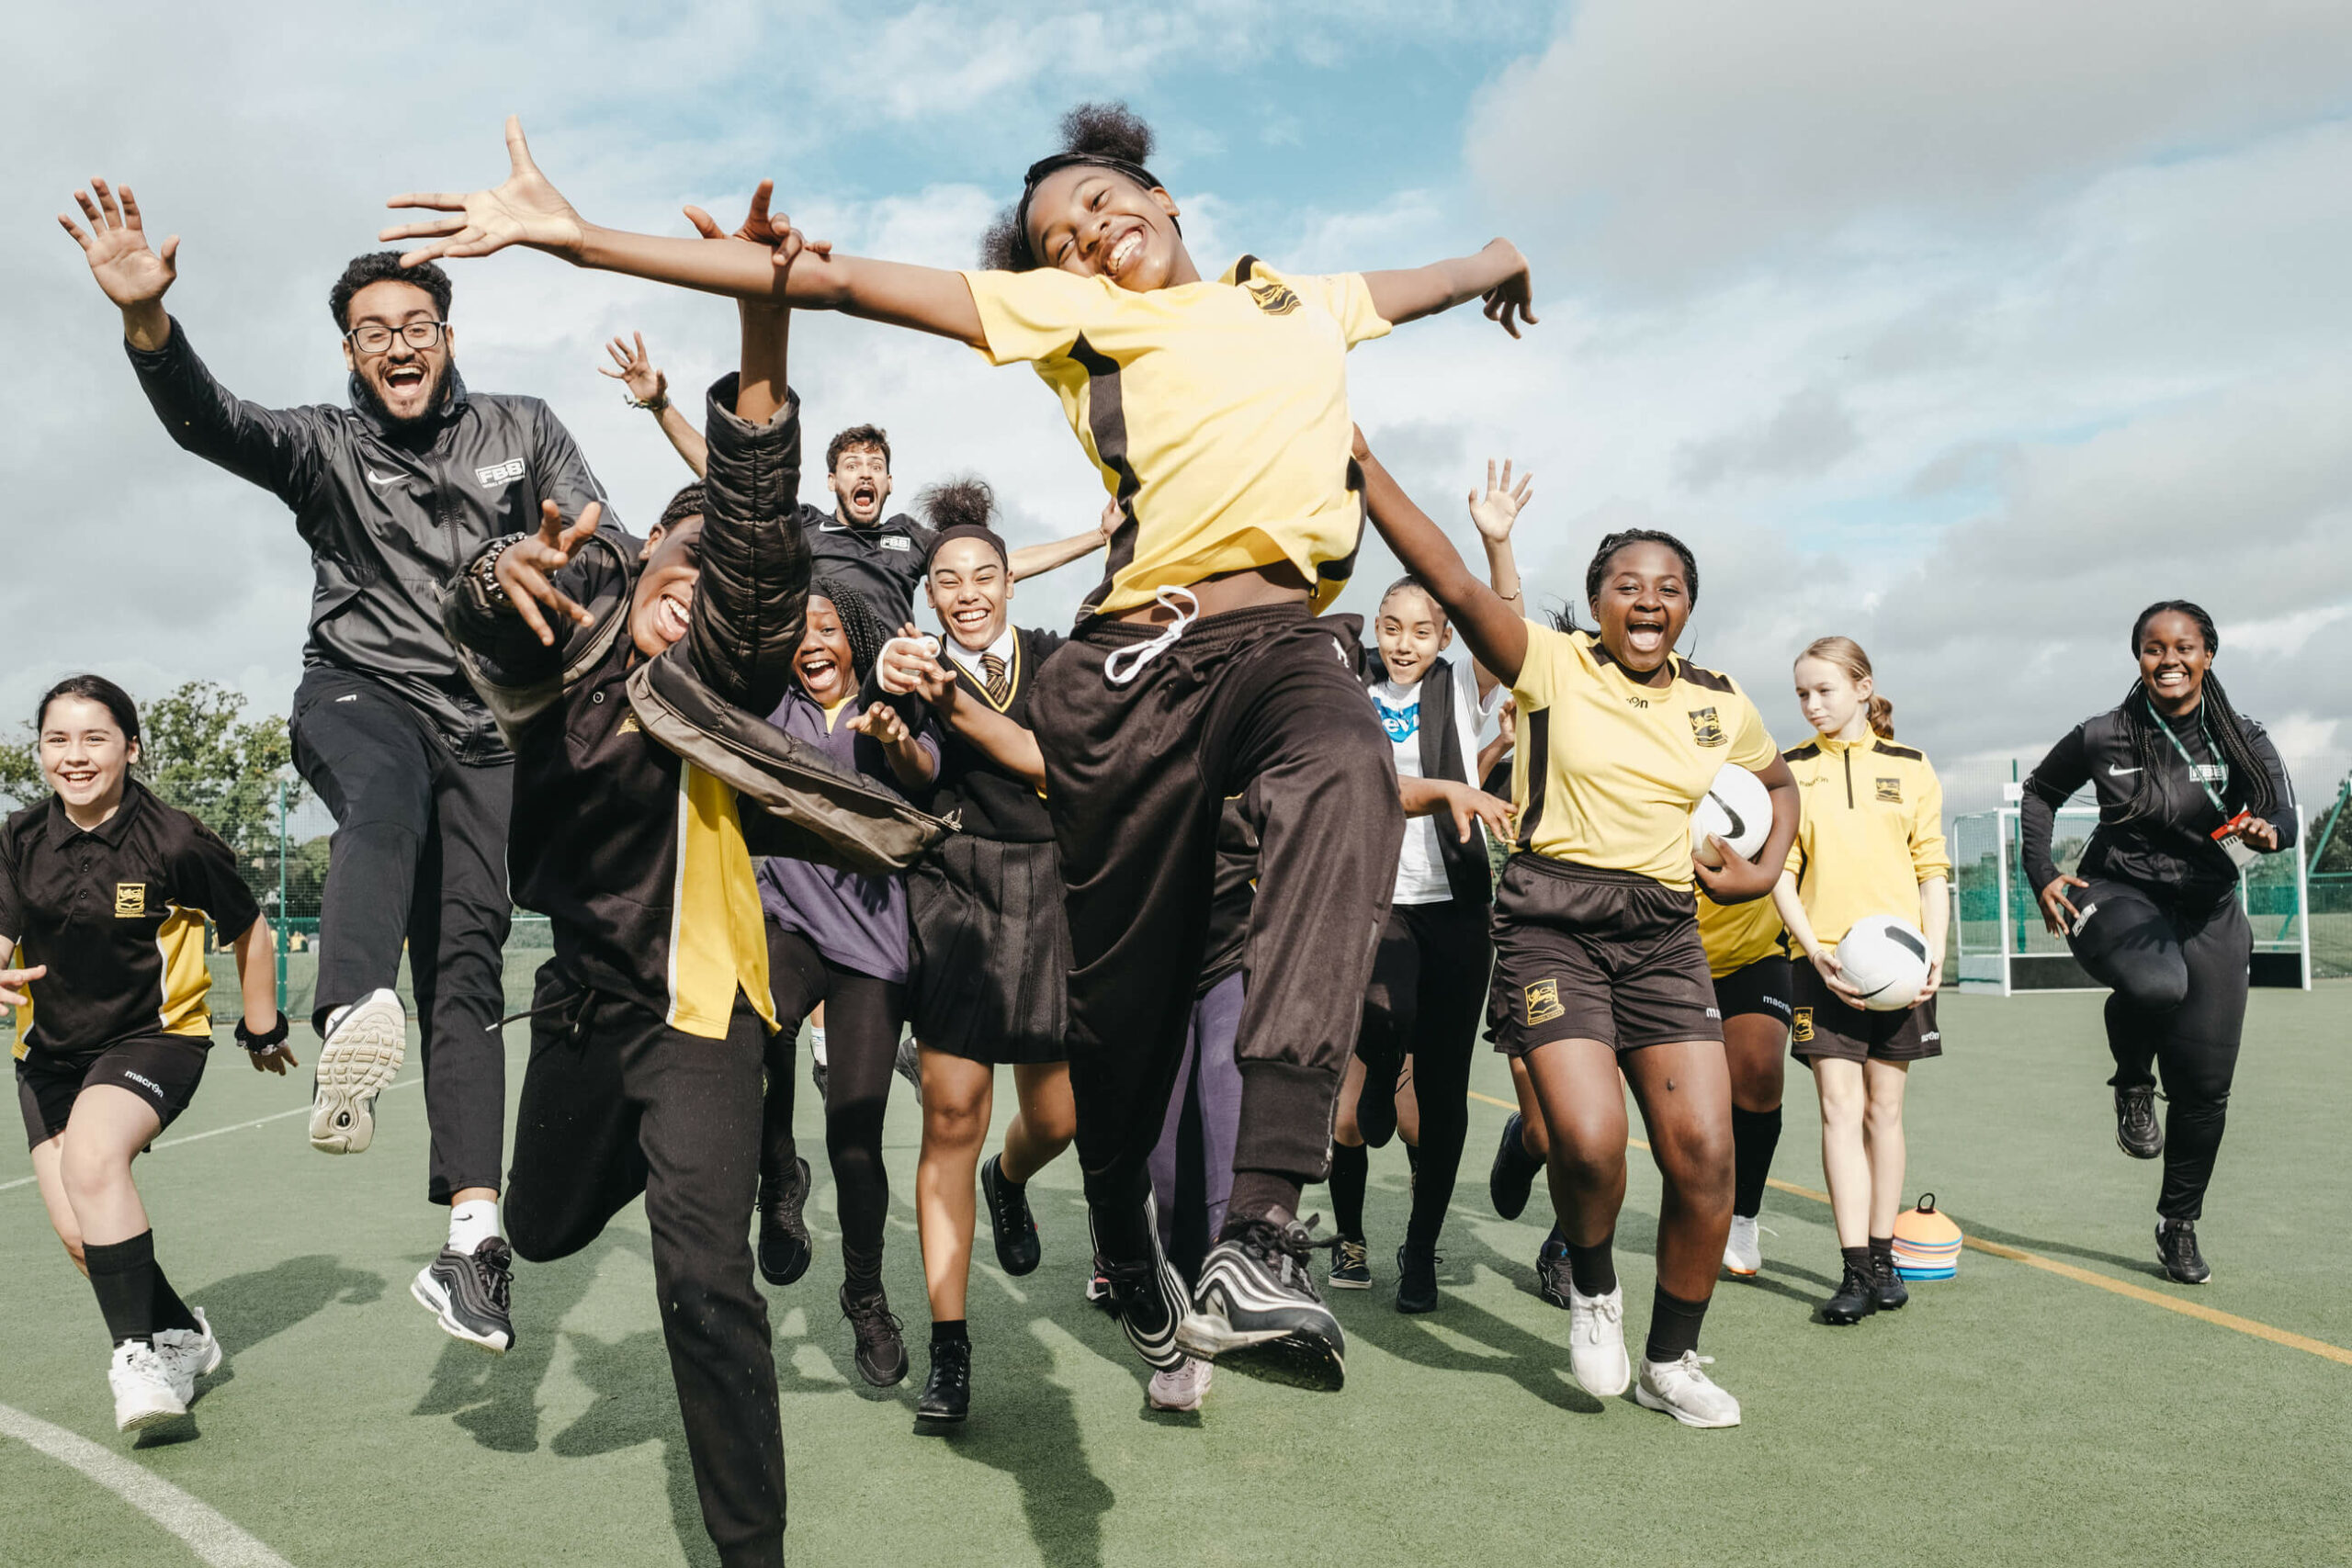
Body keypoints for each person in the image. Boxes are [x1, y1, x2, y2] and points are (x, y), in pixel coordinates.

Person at [382, 101, 1536, 1392]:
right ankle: (1125, 1250)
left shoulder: (1294, 299)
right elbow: (831, 278)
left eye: (1099, 206)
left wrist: (1502, 258)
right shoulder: (1084, 322)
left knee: (1349, 773)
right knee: (1119, 1019)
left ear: (1162, 201)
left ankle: (1263, 1226)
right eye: (1057, 239)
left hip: (1280, 639)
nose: (1087, 236)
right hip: (1137, 670)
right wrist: (578, 237)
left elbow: (1442, 277)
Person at [61, 178, 622, 1353]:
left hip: (492, 728)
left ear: (448, 338)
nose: (398, 346)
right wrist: (148, 326)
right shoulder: (323, 445)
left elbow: (603, 542)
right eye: (373, 334)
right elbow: (212, 421)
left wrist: (568, 568)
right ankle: (350, 1007)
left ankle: (474, 1247)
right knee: (383, 795)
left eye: (416, 327)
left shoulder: (521, 428)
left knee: (466, 972)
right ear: (352, 354)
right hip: (359, 696)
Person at [447, 244, 940, 1566]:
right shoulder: (575, 675)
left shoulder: (733, 670)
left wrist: (762, 338)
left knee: (704, 1282)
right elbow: (494, 632)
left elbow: (765, 558)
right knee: (543, 1224)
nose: (694, 586)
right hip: (588, 1008)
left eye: (711, 580)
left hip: (708, 1014)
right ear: (628, 575)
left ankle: (752, 1548)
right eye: (672, 566)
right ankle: (667, 1165)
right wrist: (499, 583)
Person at [1353, 431, 1800, 1428]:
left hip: (1662, 931)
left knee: (1704, 1156)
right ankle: (1594, 1288)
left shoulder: (1718, 702)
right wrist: (1360, 463)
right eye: (1628, 586)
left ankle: (1672, 1362)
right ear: (1598, 598)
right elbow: (1452, 582)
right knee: (1590, 1144)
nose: (1649, 602)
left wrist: (1762, 873)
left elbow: (1776, 781)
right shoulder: (1549, 664)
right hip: (1552, 921)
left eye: (1669, 587)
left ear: (1689, 603)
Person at [3, 675, 294, 1432]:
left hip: (155, 1037)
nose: (74, 756)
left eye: (94, 738)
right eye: (56, 740)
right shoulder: (17, 839)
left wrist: (261, 1024)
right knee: (80, 1232)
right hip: (47, 1054)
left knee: (94, 1161)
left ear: (130, 747)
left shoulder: (173, 839)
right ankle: (181, 1337)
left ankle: (138, 1361)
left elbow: (249, 927)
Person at [869, 480, 1079, 1426]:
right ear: (930, 595)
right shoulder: (905, 672)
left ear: (1008, 582)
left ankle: (1010, 1180)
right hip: (951, 889)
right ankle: (950, 1353)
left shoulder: (1064, 665)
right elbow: (911, 769)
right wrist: (898, 734)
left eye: (982, 576)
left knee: (1061, 1118)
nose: (964, 592)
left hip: (1055, 894)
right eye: (946, 580)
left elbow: (1063, 765)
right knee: (952, 1112)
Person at [2023, 601, 2294, 1285]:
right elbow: (2040, 793)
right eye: (2152, 648)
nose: (2168, 659)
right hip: (2117, 893)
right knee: (2154, 984)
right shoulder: (2103, 734)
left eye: (2183, 647)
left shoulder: (2241, 736)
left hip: (2210, 910)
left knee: (2206, 1088)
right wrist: (2044, 872)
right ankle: (2134, 1077)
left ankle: (2179, 1224)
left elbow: (2283, 814)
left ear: (2208, 654)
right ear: (2137, 656)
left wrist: (2268, 831)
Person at [753, 577, 941, 1392]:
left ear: (854, 639)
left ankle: (864, 1293)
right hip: (784, 923)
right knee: (749, 1021)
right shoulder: (769, 706)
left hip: (870, 946)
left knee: (856, 1134)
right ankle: (777, 1172)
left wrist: (896, 738)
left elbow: (926, 774)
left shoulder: (889, 706)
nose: (813, 641)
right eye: (799, 630)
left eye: (827, 626)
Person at [599, 328, 1118, 618]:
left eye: (876, 466)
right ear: (833, 482)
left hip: (888, 678)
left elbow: (999, 564)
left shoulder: (912, 538)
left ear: (889, 483)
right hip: (814, 666)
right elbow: (727, 474)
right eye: (852, 466)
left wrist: (1098, 536)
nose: (864, 473)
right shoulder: (804, 524)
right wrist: (661, 405)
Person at [1329, 565, 1511, 1313]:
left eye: (1421, 630)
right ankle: (1376, 1072)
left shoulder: (1460, 690)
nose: (1404, 643)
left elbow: (1501, 623)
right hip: (1375, 897)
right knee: (1383, 1008)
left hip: (1457, 906)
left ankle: (1421, 1250)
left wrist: (1497, 544)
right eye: (1390, 626)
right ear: (1375, 628)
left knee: (1442, 1094)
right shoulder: (1350, 687)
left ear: (1443, 637)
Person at [1767, 638, 1949, 1323]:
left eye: (1825, 691)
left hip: (1902, 971)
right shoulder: (1787, 769)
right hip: (1825, 967)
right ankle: (1851, 1270)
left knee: (1885, 1112)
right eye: (1802, 694)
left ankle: (1884, 1257)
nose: (1812, 705)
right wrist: (1812, 950)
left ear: (1863, 688)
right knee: (1839, 1111)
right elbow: (1780, 874)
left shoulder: (1911, 765)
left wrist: (1934, 951)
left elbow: (1932, 867)